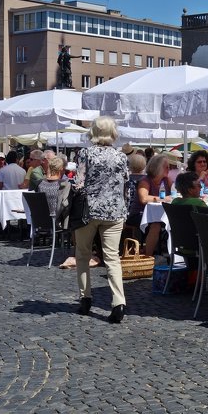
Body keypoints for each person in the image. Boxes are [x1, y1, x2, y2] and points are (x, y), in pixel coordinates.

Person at [72, 117, 129, 322]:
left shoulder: (85, 154)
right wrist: (124, 210)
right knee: (112, 257)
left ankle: (85, 298)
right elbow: (126, 186)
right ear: (113, 132)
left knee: (83, 254)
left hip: (88, 211)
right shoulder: (121, 156)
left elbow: (78, 183)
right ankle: (118, 303)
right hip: (114, 212)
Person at [137, 154, 173, 256]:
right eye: (166, 167)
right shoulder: (145, 181)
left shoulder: (166, 180)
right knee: (156, 224)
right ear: (158, 168)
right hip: (140, 214)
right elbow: (143, 198)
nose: (169, 169)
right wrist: (162, 199)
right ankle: (148, 256)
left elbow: (174, 194)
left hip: (161, 214)